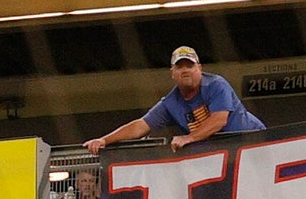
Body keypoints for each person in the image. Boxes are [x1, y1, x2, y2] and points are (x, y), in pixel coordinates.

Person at [84, 46, 266, 153]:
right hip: (223, 153)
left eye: (190, 65)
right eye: (180, 67)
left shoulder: (216, 85)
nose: (185, 70)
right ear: (173, 73)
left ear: (200, 68)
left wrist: (189, 138)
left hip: (253, 142)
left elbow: (219, 119)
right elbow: (140, 126)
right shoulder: (171, 102)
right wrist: (104, 140)